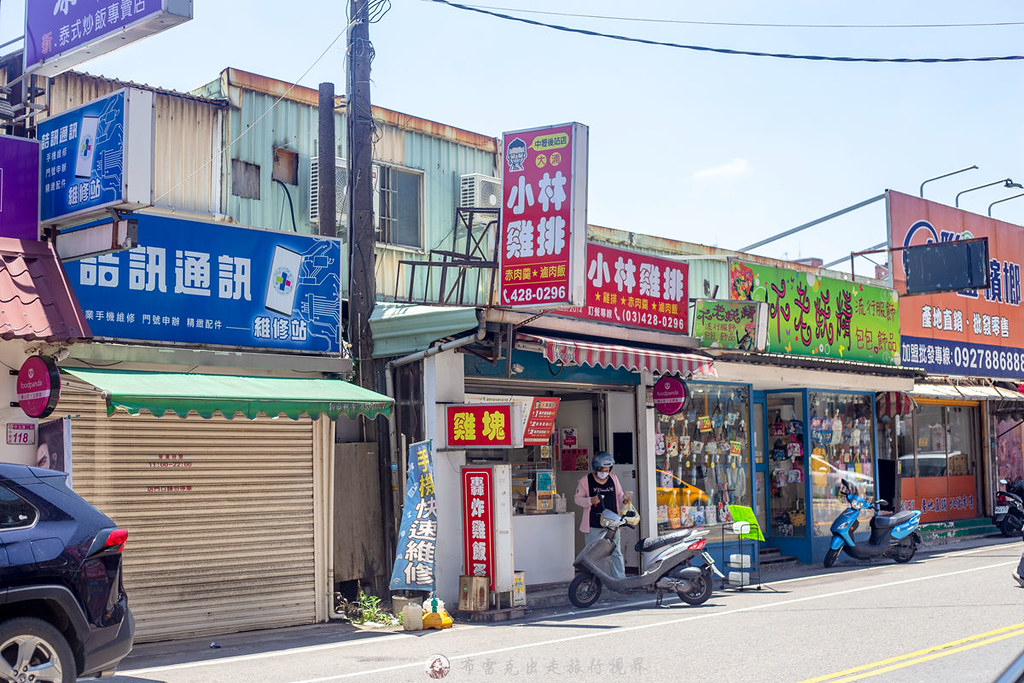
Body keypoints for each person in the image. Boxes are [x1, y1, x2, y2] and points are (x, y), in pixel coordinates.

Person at [574, 451, 632, 580]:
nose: (604, 472)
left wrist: (625, 500)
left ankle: (620, 579)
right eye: (601, 469)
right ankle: (594, 581)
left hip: (612, 524)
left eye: (607, 469)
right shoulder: (586, 481)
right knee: (592, 554)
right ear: (595, 468)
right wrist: (590, 500)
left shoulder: (613, 478)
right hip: (593, 524)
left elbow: (619, 496)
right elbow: (577, 499)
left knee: (615, 552)